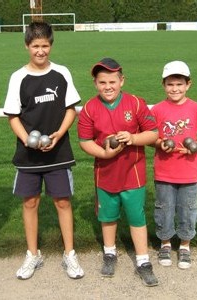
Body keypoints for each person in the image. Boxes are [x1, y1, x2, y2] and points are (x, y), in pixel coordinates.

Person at [2, 21, 84, 280]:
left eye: (45, 45)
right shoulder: (18, 77)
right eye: (35, 46)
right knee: (30, 202)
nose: (40, 51)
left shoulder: (61, 72)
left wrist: (59, 134)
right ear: (27, 45)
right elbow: (13, 115)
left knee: (62, 201)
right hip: (29, 154)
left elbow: (71, 108)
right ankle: (32, 254)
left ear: (51, 45)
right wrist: (28, 139)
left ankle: (69, 254)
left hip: (59, 151)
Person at [77, 57, 159, 287]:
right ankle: (110, 253)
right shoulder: (89, 108)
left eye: (112, 81)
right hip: (105, 174)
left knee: (136, 217)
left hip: (133, 173)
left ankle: (143, 261)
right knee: (108, 217)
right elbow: (84, 141)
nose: (108, 86)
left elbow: (152, 133)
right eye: (102, 82)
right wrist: (104, 154)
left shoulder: (135, 103)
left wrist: (133, 138)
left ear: (122, 81)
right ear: (95, 83)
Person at [151, 60, 197, 269]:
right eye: (170, 84)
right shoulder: (158, 110)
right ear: (163, 85)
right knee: (164, 207)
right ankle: (165, 242)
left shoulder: (196, 109)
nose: (174, 89)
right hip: (164, 171)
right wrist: (160, 143)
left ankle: (185, 245)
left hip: (189, 171)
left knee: (188, 208)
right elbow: (151, 138)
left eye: (179, 84)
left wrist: (196, 147)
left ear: (188, 85)